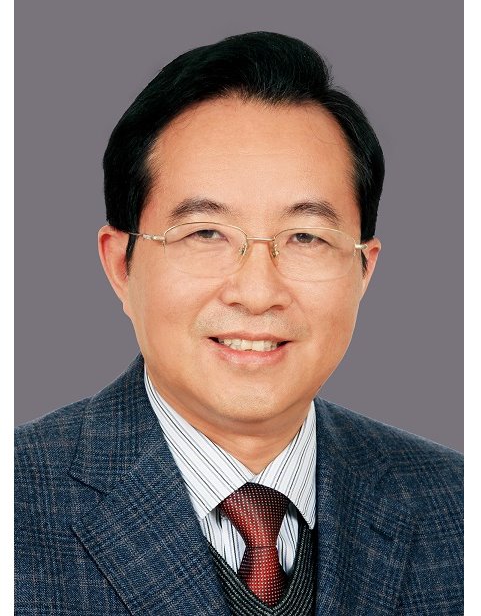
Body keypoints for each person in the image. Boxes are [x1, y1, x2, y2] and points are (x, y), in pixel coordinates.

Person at [15, 31, 463, 615]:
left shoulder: (456, 506)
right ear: (121, 265)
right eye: (205, 233)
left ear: (364, 269)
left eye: (306, 237)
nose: (256, 294)